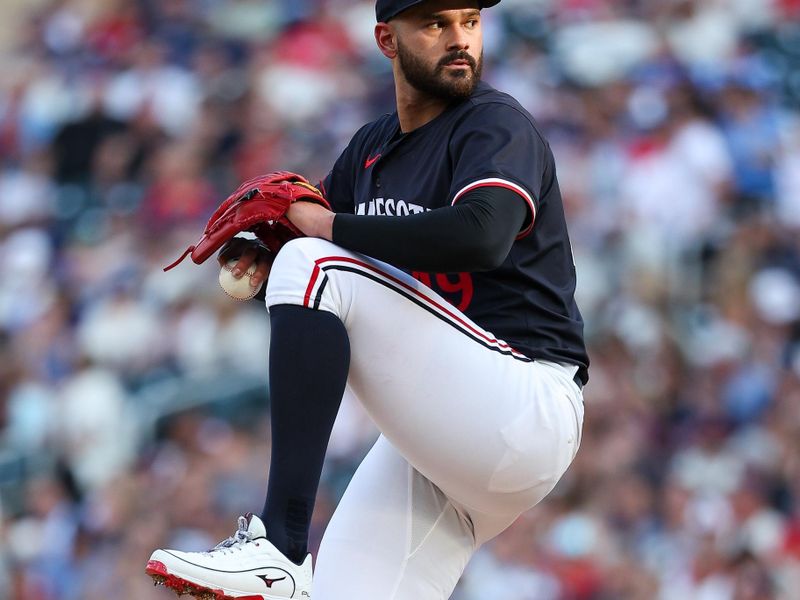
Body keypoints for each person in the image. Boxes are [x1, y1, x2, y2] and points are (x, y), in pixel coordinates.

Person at [146, 0, 588, 598]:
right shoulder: (371, 149)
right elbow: (309, 282)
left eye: (470, 21)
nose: (460, 38)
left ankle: (279, 546)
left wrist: (315, 236)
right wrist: (259, 260)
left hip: (523, 402)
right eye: (436, 23)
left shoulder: (493, 124)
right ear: (387, 40)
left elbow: (481, 236)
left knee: (315, 262)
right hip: (439, 444)